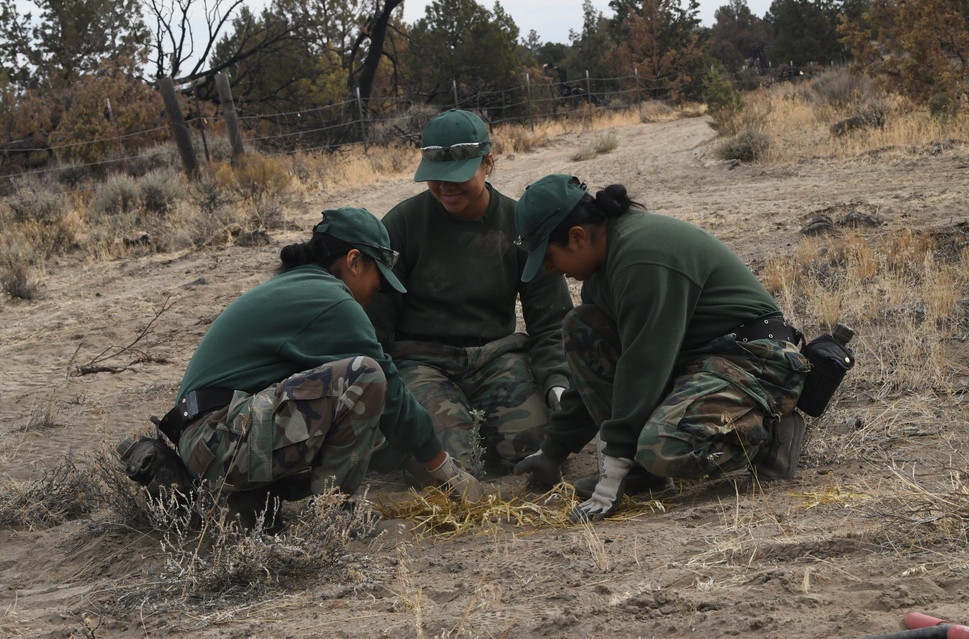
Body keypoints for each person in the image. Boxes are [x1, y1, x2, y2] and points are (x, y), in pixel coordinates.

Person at [511, 175, 810, 520]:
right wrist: (553, 449)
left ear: (577, 237)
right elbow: (601, 371)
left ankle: (768, 434)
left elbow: (643, 365)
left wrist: (611, 476)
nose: (550, 270)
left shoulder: (641, 259)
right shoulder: (603, 267)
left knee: (664, 448)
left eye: (548, 258)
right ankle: (641, 473)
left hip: (755, 361)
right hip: (698, 360)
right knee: (581, 328)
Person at [158, 207, 488, 509]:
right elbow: (391, 392)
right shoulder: (333, 300)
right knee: (366, 376)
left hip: (210, 440)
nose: (377, 292)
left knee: (362, 414)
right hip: (217, 439)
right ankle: (330, 511)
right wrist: (440, 465)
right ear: (355, 261)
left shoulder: (298, 287)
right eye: (379, 278)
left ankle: (250, 501)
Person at [367, 109, 572, 474]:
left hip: (497, 356)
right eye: (435, 178)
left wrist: (557, 382)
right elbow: (376, 319)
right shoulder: (402, 224)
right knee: (446, 466)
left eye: (458, 177)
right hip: (422, 360)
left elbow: (551, 318)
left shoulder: (518, 224)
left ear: (487, 164)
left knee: (533, 454)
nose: (446, 187)